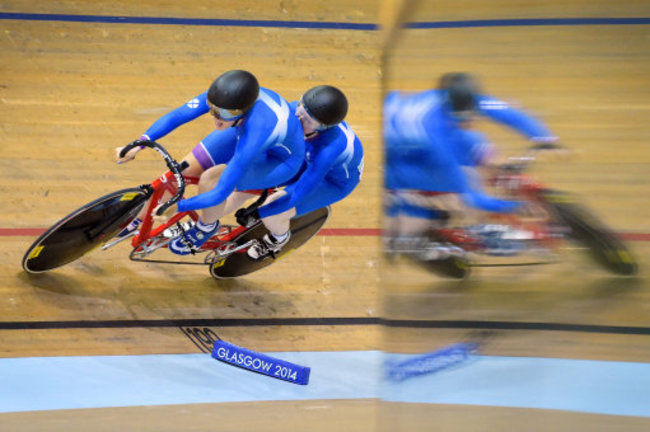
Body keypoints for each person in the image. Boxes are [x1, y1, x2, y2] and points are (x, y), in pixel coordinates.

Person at [116, 69, 305, 255]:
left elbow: (220, 192)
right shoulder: (226, 97)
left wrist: (179, 206)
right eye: (212, 109)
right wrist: (138, 143)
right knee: (181, 173)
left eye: (224, 113)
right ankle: (138, 221)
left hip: (279, 161)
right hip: (243, 129)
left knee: (211, 180)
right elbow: (178, 115)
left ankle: (207, 226)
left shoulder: (258, 131)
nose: (215, 117)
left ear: (241, 111)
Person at [383, 72, 558, 257]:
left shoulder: (455, 97)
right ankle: (406, 210)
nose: (468, 122)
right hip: (399, 160)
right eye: (462, 119)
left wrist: (544, 138)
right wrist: (510, 206)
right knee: (464, 181)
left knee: (473, 140)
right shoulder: (437, 139)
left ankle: (501, 175)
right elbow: (469, 196)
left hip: (406, 126)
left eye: (470, 116)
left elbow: (507, 113)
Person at [239, 85, 364, 260]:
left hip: (331, 182)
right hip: (308, 157)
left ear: (323, 127)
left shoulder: (328, 150)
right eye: (301, 110)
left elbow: (298, 193)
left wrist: (258, 214)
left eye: (308, 120)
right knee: (245, 182)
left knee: (275, 210)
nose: (299, 119)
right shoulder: (297, 112)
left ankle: (278, 239)